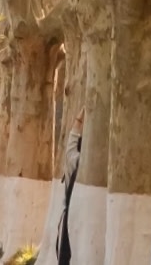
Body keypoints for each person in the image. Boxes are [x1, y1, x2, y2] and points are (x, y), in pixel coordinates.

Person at [55, 110, 84, 265]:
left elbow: (72, 141)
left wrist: (79, 119)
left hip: (69, 221)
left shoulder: (74, 160)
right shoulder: (78, 161)